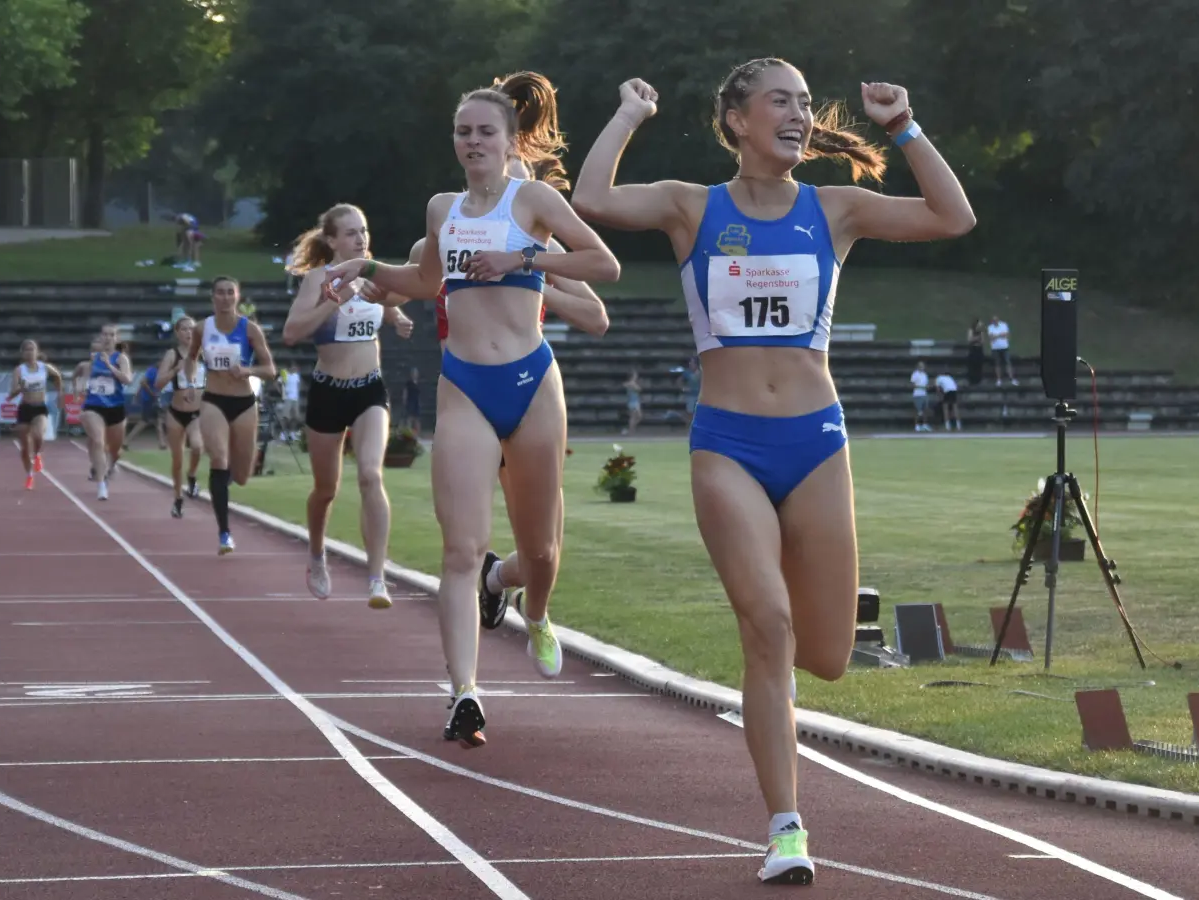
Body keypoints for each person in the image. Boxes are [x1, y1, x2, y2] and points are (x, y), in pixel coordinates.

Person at [571, 61, 974, 885]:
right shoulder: (693, 206)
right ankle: (785, 826)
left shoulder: (836, 208)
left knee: (825, 654)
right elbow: (592, 202)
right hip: (728, 445)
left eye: (802, 102)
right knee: (769, 628)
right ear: (738, 119)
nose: (798, 114)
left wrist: (904, 127)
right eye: (780, 102)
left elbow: (952, 217)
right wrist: (627, 115)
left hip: (817, 443)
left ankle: (785, 786)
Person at [326, 71, 620, 749]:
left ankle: (534, 611)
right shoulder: (441, 209)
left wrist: (521, 257)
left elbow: (603, 265)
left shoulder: (534, 198)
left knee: (542, 552)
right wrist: (365, 270)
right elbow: (423, 283)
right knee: (459, 549)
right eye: (463, 132)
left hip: (532, 383)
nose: (473, 141)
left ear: (510, 138)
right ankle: (464, 692)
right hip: (464, 385)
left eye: (486, 131)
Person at [418, 153, 610, 633]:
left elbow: (597, 318)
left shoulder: (536, 252)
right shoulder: (449, 234)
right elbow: (410, 283)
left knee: (542, 555)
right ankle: (465, 677)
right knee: (462, 544)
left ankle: (499, 580)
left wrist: (532, 278)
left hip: (527, 398)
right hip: (468, 399)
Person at [283, 203, 418, 606]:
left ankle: (377, 576)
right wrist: (337, 297)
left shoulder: (375, 274)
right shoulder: (318, 280)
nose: (361, 239)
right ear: (331, 240)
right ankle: (317, 553)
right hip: (328, 392)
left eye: (364, 231)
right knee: (326, 489)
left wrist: (395, 318)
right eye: (351, 233)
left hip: (369, 391)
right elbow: (292, 332)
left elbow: (397, 295)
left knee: (370, 476)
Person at [186, 276, 278, 553]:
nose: (225, 297)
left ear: (237, 297)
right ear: (213, 297)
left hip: (244, 403)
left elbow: (270, 370)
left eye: (230, 293)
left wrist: (247, 371)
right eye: (220, 293)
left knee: (241, 475)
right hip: (213, 400)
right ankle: (224, 533)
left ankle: (221, 484)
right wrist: (191, 382)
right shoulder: (202, 328)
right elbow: (191, 357)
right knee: (219, 458)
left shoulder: (250, 330)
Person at [155, 316, 206, 517]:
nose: (188, 333)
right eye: (184, 329)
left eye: (191, 329)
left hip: (197, 413)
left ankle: (192, 475)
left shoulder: (204, 353)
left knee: (197, 446)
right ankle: (177, 499)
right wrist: (175, 370)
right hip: (176, 413)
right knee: (176, 460)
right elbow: (158, 383)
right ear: (177, 332)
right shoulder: (172, 354)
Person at [74, 331, 134, 501]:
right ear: (100, 339)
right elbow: (83, 380)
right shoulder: (92, 362)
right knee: (99, 441)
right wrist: (79, 390)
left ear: (116, 339)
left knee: (114, 451)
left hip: (115, 407)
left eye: (111, 335)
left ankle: (110, 465)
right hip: (94, 407)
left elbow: (127, 380)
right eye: (104, 335)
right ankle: (101, 484)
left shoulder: (121, 359)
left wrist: (109, 366)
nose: (107, 338)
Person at [5, 339, 63, 489]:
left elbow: (58, 377)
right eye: (27, 350)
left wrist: (60, 393)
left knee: (38, 435)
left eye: (32, 349)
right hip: (25, 408)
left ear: (37, 352)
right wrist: (21, 388)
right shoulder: (19, 370)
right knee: (24, 447)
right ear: (23, 353)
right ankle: (29, 475)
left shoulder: (45, 368)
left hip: (40, 407)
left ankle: (37, 455)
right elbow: (11, 394)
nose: (30, 353)